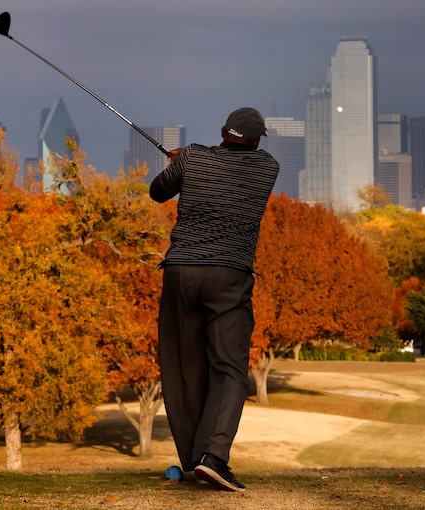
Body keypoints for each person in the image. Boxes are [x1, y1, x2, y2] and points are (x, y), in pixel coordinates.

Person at [149, 107, 279, 492]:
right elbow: (232, 161)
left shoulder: (192, 157)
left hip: (180, 273)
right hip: (228, 277)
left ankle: (196, 459)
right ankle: (213, 457)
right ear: (256, 141)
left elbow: (158, 191)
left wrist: (181, 163)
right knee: (229, 367)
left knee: (183, 366)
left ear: (223, 131)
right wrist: (190, 160)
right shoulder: (267, 168)